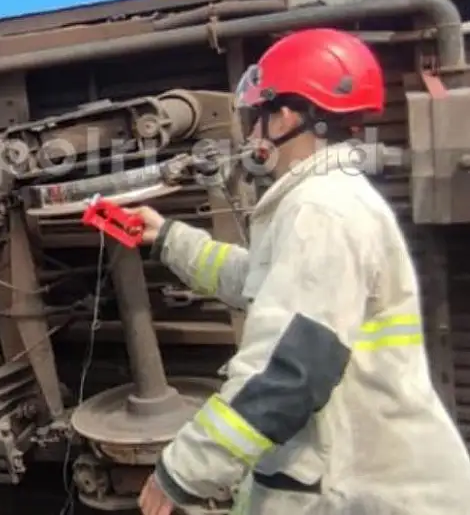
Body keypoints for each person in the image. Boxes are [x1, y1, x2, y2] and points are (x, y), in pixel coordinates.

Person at [132, 28, 470, 515]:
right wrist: (167, 238)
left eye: (258, 117)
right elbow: (265, 283)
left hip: (362, 492)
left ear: (287, 116)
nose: (252, 136)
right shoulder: (326, 200)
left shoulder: (322, 211)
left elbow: (284, 371)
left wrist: (182, 472)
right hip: (353, 473)